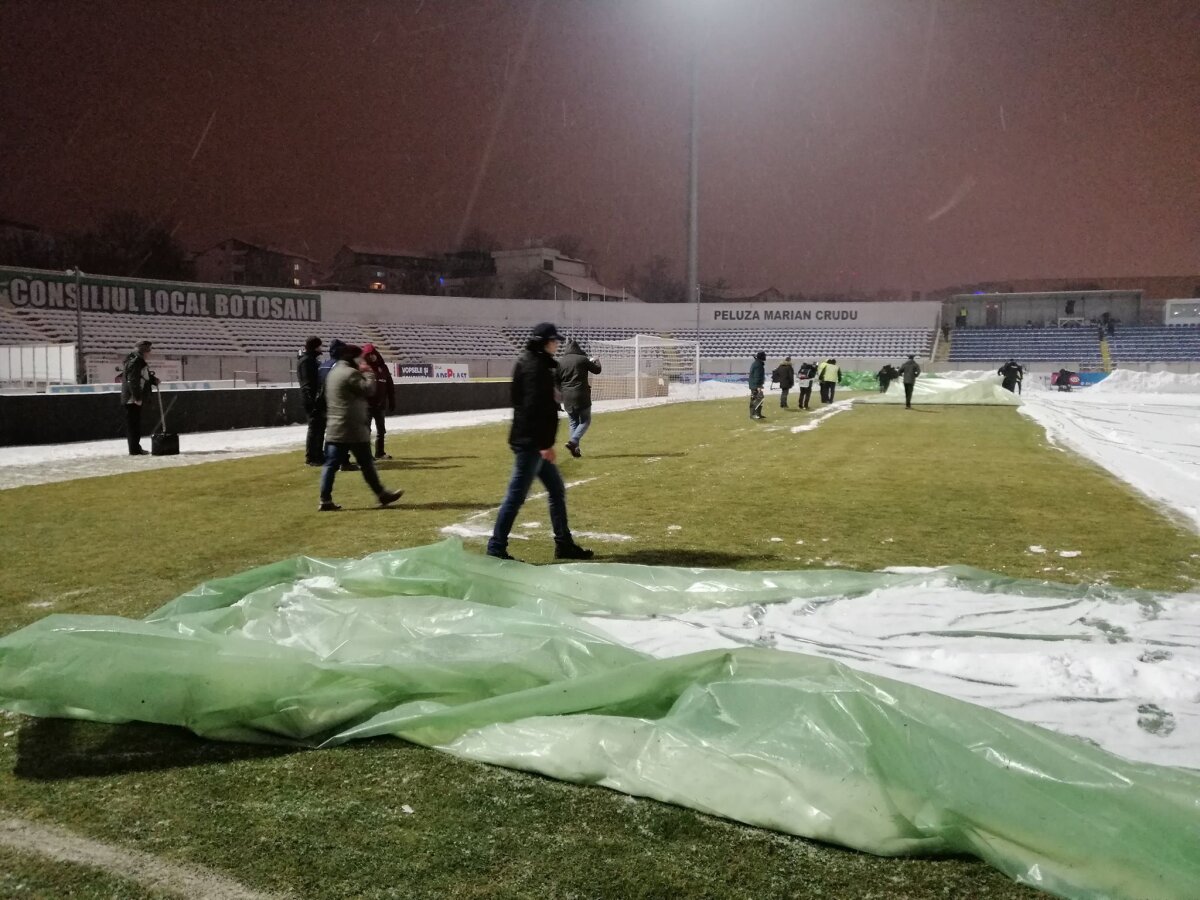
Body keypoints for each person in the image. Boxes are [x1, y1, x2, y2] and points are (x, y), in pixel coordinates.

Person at [487, 323, 593, 562]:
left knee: (556, 489)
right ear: (544, 342)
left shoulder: (535, 363)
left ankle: (563, 543)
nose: (556, 345)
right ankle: (496, 547)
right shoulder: (535, 367)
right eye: (553, 341)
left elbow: (525, 401)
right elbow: (533, 408)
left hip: (532, 441)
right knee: (516, 496)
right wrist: (544, 445)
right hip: (531, 443)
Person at [317, 343, 404, 512]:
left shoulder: (334, 372)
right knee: (366, 463)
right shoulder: (351, 374)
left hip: (336, 426)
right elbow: (369, 389)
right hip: (352, 428)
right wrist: (368, 372)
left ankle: (325, 499)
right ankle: (381, 494)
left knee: (331, 465)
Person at [556, 337, 602, 457]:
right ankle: (573, 441)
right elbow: (597, 370)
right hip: (582, 396)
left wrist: (562, 392)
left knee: (573, 423)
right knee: (585, 421)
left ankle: (575, 450)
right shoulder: (582, 359)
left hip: (567, 397)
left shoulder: (560, 362)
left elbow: (556, 382)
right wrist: (596, 360)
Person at [318, 339, 357, 472]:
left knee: (331, 434)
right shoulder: (339, 366)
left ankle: (331, 459)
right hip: (338, 403)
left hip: (325, 403)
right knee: (343, 433)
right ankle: (343, 462)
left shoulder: (323, 365)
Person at [120, 340, 159, 456]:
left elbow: (142, 376)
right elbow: (133, 381)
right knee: (133, 425)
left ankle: (135, 447)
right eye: (149, 350)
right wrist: (137, 397)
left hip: (133, 398)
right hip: (132, 399)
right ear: (144, 350)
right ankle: (134, 449)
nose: (150, 353)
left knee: (135, 424)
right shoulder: (136, 361)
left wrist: (153, 380)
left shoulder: (138, 361)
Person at [360, 343, 396, 459]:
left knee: (381, 430)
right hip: (367, 406)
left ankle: (380, 453)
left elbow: (389, 385)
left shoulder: (383, 367)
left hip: (380, 405)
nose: (371, 357)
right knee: (367, 431)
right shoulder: (363, 368)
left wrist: (392, 400)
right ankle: (367, 455)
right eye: (369, 355)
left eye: (373, 354)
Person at [297, 336, 325, 466]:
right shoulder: (307, 361)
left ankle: (318, 454)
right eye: (319, 346)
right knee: (314, 428)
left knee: (319, 428)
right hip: (312, 399)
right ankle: (311, 457)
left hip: (315, 398)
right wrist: (312, 401)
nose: (321, 348)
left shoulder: (311, 360)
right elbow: (307, 384)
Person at [748, 351, 767, 419]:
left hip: (754, 384)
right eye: (764, 356)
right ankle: (753, 414)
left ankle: (757, 414)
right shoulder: (758, 365)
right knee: (756, 399)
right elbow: (757, 376)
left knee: (758, 399)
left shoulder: (757, 363)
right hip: (755, 385)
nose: (765, 357)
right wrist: (758, 386)